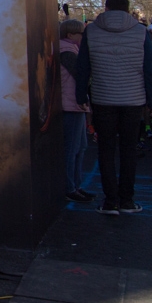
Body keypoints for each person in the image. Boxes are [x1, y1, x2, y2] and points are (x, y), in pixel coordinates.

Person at [75, 0, 152, 216]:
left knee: (105, 150)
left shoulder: (92, 31)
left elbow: (83, 67)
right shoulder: (140, 31)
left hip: (103, 97)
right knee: (128, 150)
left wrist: (81, 95)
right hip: (133, 98)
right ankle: (127, 200)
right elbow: (150, 69)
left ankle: (110, 201)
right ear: (128, 9)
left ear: (106, 8)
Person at [58, 19, 95, 200]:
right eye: (81, 33)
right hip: (71, 103)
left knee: (80, 147)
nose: (84, 36)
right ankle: (69, 187)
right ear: (70, 34)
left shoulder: (70, 49)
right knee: (72, 148)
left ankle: (75, 185)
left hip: (74, 103)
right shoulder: (67, 51)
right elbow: (80, 75)